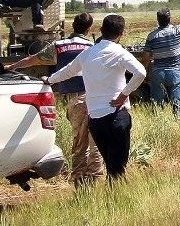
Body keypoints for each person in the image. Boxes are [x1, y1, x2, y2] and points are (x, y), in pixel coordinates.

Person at [43, 14, 146, 181]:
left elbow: (67, 71)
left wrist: (49, 80)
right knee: (117, 169)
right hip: (116, 115)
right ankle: (118, 199)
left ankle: (109, 196)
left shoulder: (87, 54)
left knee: (112, 166)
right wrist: (124, 94)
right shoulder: (120, 53)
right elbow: (140, 73)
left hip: (96, 120)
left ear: (101, 31)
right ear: (121, 34)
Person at [10, 13, 103, 186]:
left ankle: (79, 183)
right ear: (88, 29)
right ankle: (95, 180)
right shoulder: (92, 46)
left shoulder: (59, 46)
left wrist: (13, 66)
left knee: (80, 144)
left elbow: (32, 60)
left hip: (76, 100)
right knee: (95, 141)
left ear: (72, 26)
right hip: (96, 98)